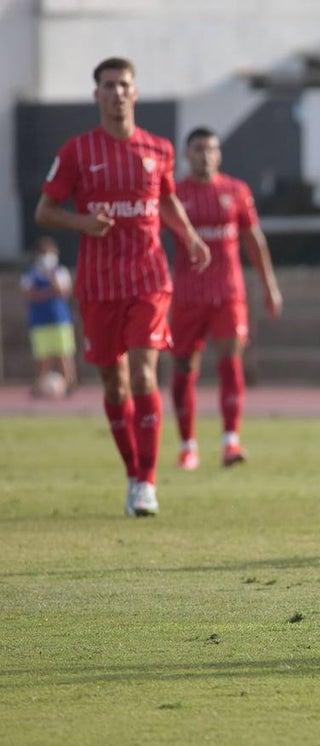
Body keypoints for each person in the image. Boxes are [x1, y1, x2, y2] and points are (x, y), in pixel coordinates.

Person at [34, 56, 210, 517]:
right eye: (108, 85)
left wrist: (188, 235)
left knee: (144, 374)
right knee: (114, 386)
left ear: (135, 92)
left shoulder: (158, 149)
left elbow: (167, 197)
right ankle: (132, 473)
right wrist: (82, 222)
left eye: (124, 85)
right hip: (98, 285)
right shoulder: (77, 152)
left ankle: (148, 483)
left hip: (150, 278)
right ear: (97, 95)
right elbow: (44, 212)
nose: (116, 93)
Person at [169, 126, 282, 470]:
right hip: (187, 295)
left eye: (211, 149)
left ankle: (230, 441)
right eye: (199, 149)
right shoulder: (173, 193)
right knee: (185, 367)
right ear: (186, 154)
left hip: (228, 293)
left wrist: (270, 286)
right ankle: (188, 446)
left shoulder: (235, 191)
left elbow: (254, 241)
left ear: (220, 154)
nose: (205, 155)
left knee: (230, 364)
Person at [20, 236, 78, 397]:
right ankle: (40, 385)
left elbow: (64, 291)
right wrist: (48, 292)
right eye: (44, 253)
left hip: (60, 320)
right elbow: (29, 294)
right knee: (42, 356)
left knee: (64, 353)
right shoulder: (31, 274)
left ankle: (70, 383)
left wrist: (50, 280)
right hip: (39, 321)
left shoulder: (60, 271)